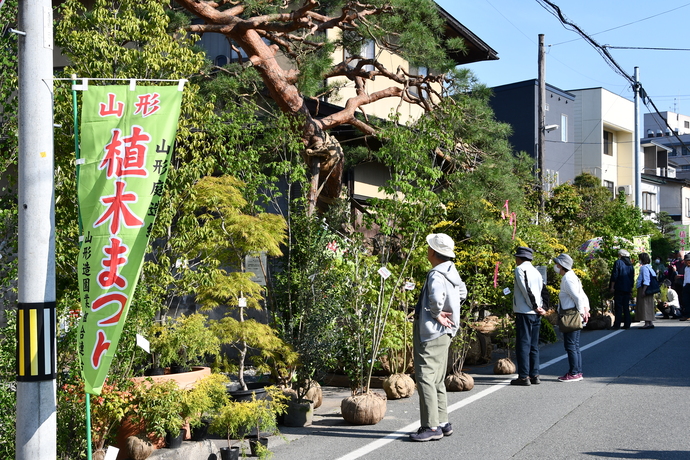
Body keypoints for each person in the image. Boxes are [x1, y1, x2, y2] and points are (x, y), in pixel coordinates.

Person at [410, 233, 467, 442]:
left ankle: (431, 426)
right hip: (447, 331)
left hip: (432, 330)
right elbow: (463, 293)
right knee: (438, 378)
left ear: (433, 252)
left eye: (429, 248)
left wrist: (436, 313)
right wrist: (451, 308)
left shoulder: (436, 273)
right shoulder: (452, 270)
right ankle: (443, 422)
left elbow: (435, 297)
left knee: (425, 376)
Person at [510, 246, 547, 387]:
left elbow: (526, 290)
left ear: (519, 258)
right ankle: (534, 374)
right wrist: (543, 308)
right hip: (536, 313)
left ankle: (523, 376)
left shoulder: (520, 269)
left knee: (523, 344)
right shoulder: (536, 271)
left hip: (525, 311)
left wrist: (534, 306)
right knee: (533, 345)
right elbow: (544, 290)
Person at [553, 253, 590, 382]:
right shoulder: (572, 276)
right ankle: (577, 372)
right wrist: (585, 309)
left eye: (557, 264)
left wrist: (582, 312)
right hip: (574, 312)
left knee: (571, 345)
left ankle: (574, 372)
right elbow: (582, 295)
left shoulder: (568, 279)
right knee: (575, 345)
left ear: (562, 266)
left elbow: (577, 296)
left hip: (571, 314)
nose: (555, 266)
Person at [608, 249, 635, 329]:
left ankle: (617, 324)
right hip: (627, 288)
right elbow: (632, 278)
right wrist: (630, 288)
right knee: (626, 307)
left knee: (618, 306)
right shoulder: (630, 265)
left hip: (619, 287)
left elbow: (615, 275)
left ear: (621, 255)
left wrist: (612, 286)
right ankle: (627, 324)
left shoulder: (618, 262)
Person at [636, 252, 656, 329]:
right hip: (650, 289)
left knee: (644, 305)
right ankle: (650, 322)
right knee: (649, 304)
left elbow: (646, 280)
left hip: (644, 287)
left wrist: (643, 290)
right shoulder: (650, 267)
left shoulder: (644, 268)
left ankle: (646, 323)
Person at [680, 254, 690, 321]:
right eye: (685, 261)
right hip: (687, 285)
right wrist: (684, 285)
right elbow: (686, 277)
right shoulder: (686, 268)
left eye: (687, 261)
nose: (686, 262)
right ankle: (687, 315)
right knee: (686, 301)